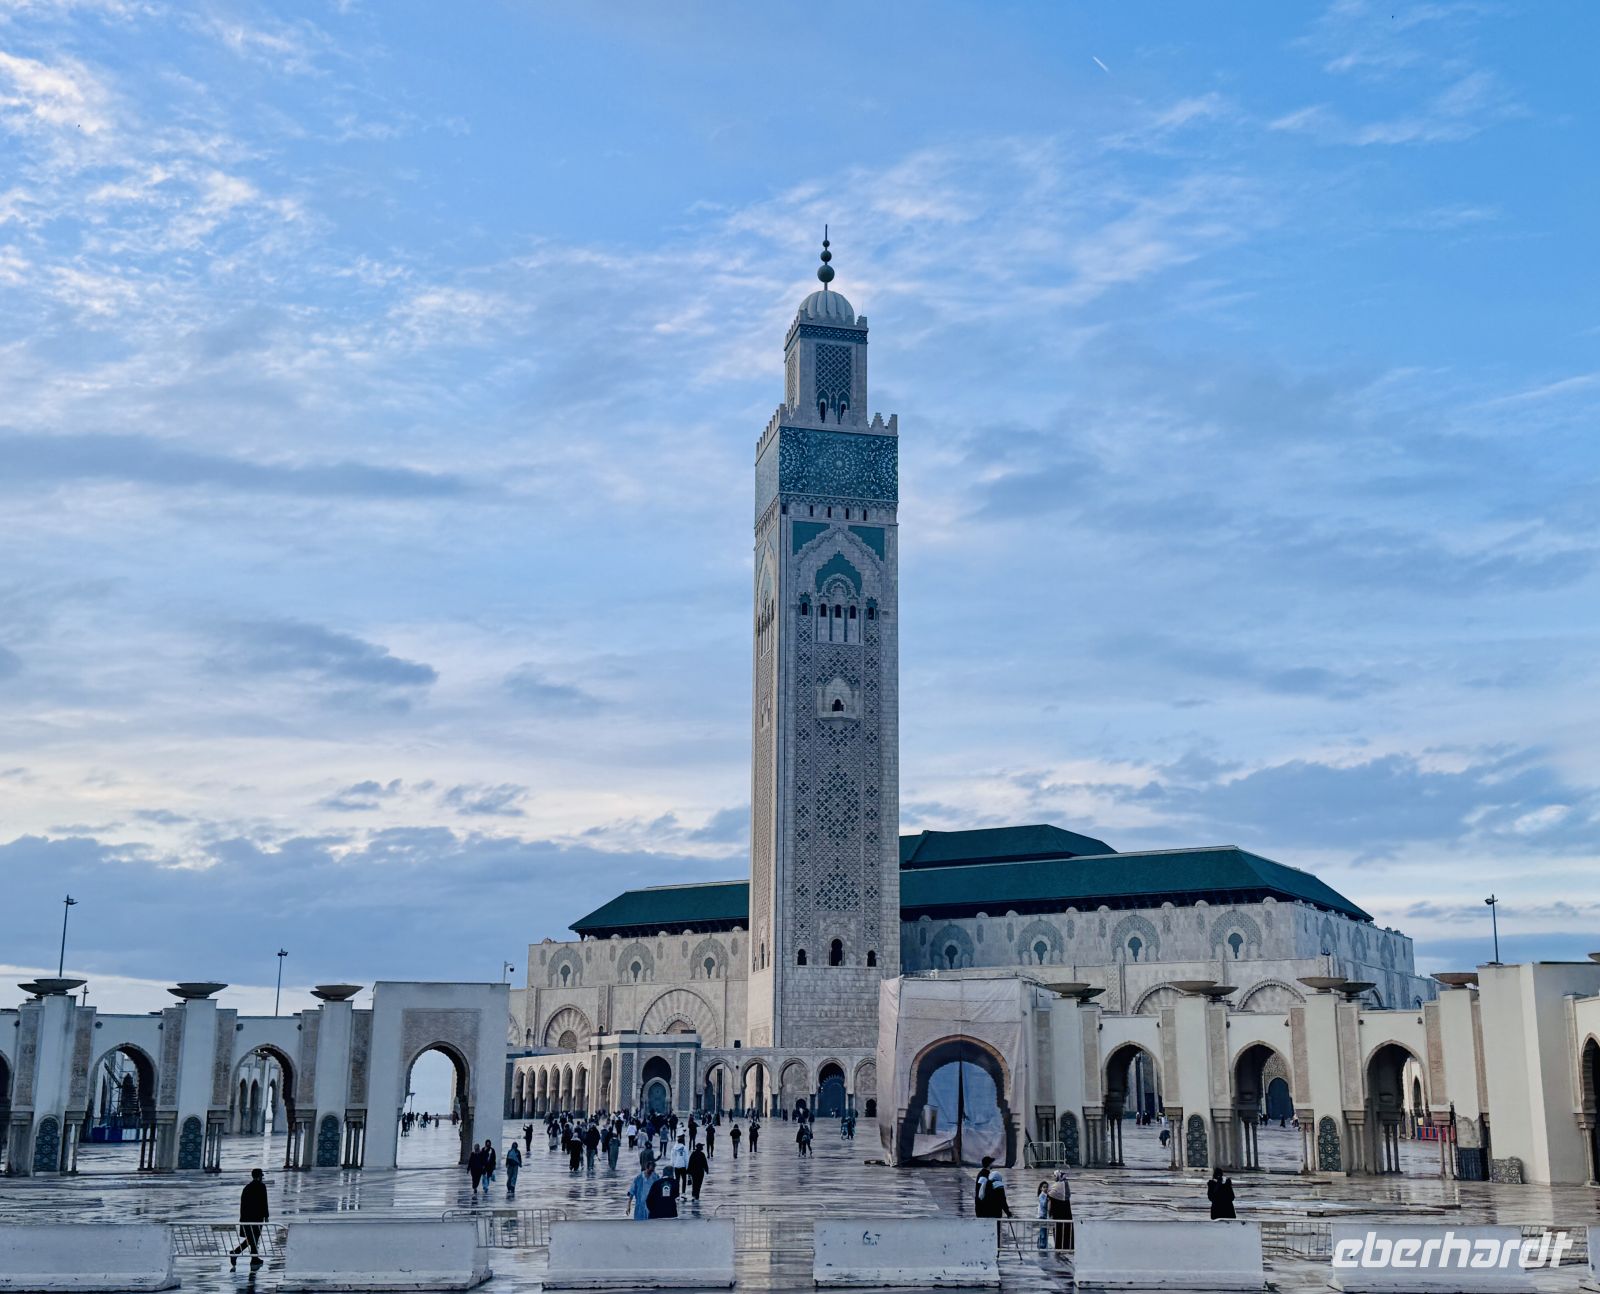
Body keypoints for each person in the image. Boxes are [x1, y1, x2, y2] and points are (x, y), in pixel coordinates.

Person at [228, 1168, 269, 1270]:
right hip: (257, 1217)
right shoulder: (261, 1186)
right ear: (259, 1176)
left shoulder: (247, 1187)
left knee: (252, 1238)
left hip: (247, 1218)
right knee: (254, 1238)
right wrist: (266, 1216)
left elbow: (243, 1204)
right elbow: (264, 1202)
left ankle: (252, 1257)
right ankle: (238, 1253)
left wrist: (242, 1218)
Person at [626, 1150, 658, 1221]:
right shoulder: (638, 1178)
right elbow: (631, 1192)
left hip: (652, 1206)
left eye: (653, 1171)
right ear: (646, 1168)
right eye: (650, 1171)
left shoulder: (655, 1177)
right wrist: (628, 1206)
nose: (651, 1173)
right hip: (640, 1206)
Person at [1047, 1170, 1073, 1251]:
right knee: (1066, 1231)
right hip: (1066, 1215)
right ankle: (1067, 1247)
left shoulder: (1057, 1186)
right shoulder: (1066, 1184)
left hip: (1058, 1214)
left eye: (1055, 1176)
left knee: (1059, 1231)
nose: (1054, 1177)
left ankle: (1060, 1248)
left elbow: (1050, 1196)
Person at [1035, 1182, 1050, 1250]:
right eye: (1044, 1187)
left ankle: (1042, 1244)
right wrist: (1047, 1199)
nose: (1046, 1188)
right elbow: (1043, 1205)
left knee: (1044, 1231)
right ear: (1041, 1188)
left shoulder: (1046, 1195)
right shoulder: (1041, 1195)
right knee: (1043, 1231)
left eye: (1047, 1187)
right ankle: (1042, 1245)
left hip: (1045, 1216)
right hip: (1042, 1216)